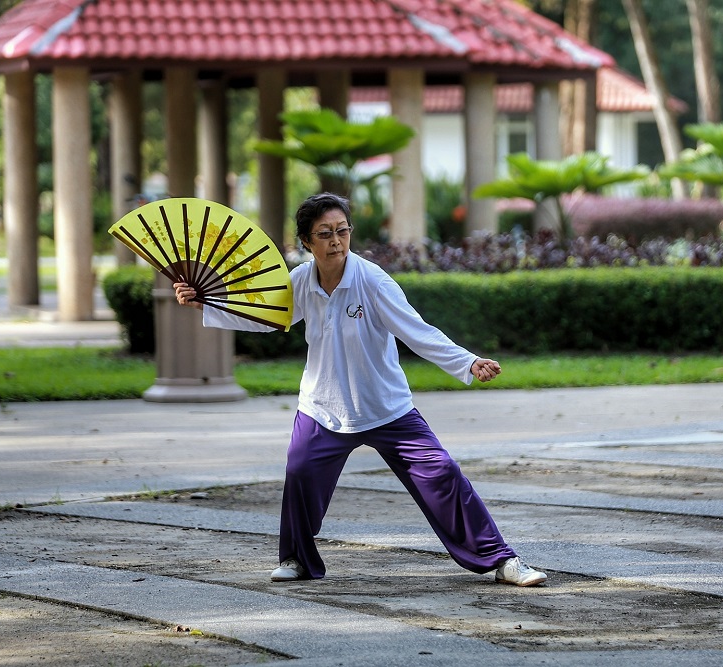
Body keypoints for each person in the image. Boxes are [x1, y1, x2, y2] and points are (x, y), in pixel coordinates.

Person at [173, 192, 546, 587]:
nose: (336, 240)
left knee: (443, 474)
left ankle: (501, 561)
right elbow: (265, 318)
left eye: (342, 231)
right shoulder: (300, 281)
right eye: (325, 234)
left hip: (386, 408)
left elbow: (417, 332)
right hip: (323, 408)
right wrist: (207, 305)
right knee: (300, 473)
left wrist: (467, 362)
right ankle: (298, 559)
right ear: (306, 242)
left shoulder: (372, 281)